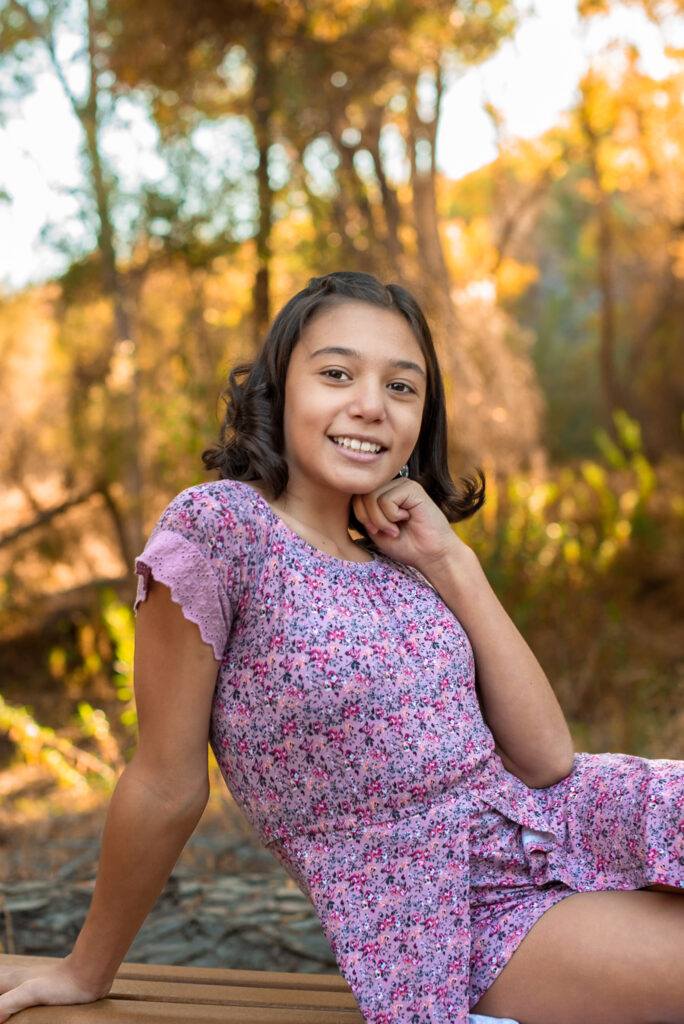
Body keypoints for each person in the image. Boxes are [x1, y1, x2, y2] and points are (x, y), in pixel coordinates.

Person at [0, 271, 682, 1024]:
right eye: (335, 373)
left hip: (575, 818)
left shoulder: (406, 560)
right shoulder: (221, 530)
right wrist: (86, 970)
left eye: (402, 387)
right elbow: (167, 783)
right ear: (278, 390)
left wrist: (453, 561)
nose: (370, 405)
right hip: (452, 906)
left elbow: (549, 760)